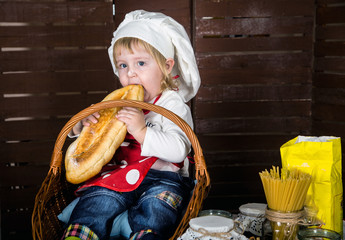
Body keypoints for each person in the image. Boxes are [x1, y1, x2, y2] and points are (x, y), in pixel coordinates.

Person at [62, 9, 201, 240]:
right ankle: (80, 234)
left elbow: (179, 149)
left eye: (141, 63)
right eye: (123, 66)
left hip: (162, 180)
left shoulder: (172, 104)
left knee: (158, 207)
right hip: (118, 175)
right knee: (96, 200)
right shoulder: (115, 103)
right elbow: (96, 143)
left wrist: (141, 130)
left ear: (166, 66)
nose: (131, 74)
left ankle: (145, 235)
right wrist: (82, 127)